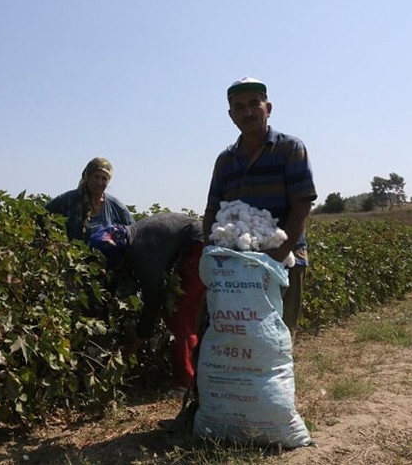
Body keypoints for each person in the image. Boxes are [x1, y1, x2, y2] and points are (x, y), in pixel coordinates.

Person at [202, 77, 317, 341]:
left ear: (268, 107)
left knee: (276, 339)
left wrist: (277, 254)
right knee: (234, 338)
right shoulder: (225, 160)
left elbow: (302, 205)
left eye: (254, 103)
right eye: (239, 107)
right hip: (236, 265)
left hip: (284, 261)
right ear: (231, 115)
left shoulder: (290, 149)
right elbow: (211, 210)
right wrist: (212, 255)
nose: (248, 112)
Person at [88, 212, 206, 390]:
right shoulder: (130, 234)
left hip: (198, 249)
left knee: (179, 316)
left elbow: (153, 301)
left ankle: (185, 381)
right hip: (192, 244)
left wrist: (137, 340)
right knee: (183, 314)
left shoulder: (144, 255)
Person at [46, 157, 134, 242]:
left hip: (105, 257)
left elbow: (134, 233)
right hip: (74, 256)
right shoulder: (68, 200)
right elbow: (42, 215)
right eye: (96, 177)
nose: (99, 182)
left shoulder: (116, 206)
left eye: (104, 179)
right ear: (87, 177)